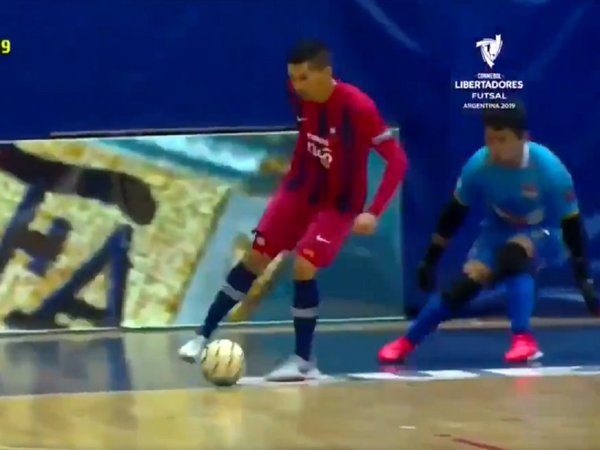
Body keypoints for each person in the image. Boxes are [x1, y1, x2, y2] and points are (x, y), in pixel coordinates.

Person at [179, 39, 408, 381]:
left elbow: (397, 161)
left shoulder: (358, 108)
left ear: (325, 72)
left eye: (304, 78)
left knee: (304, 264)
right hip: (299, 190)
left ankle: (303, 362)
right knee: (255, 257)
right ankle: (202, 336)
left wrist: (373, 211)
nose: (297, 86)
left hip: (339, 204)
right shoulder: (296, 95)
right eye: (293, 78)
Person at [379, 103, 598, 364]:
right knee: (464, 285)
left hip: (545, 233)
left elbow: (571, 224)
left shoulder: (550, 169)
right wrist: (430, 259)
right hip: (496, 232)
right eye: (489, 140)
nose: (494, 148)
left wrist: (584, 280)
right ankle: (407, 341)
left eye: (502, 140)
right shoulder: (478, 166)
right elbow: (454, 214)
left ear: (523, 138)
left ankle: (523, 338)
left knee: (514, 255)